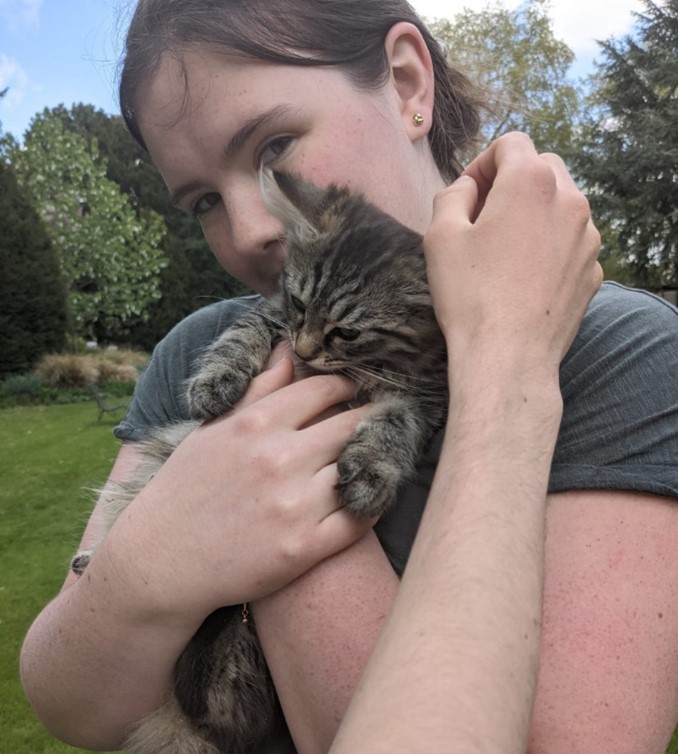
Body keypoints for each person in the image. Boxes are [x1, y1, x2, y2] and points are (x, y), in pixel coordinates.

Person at [20, 1, 678, 752]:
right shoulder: (199, 344)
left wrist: (507, 365)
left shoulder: (617, 351)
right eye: (203, 201)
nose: (249, 229)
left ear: (406, 84)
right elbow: (69, 703)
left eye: (273, 149)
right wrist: (147, 565)